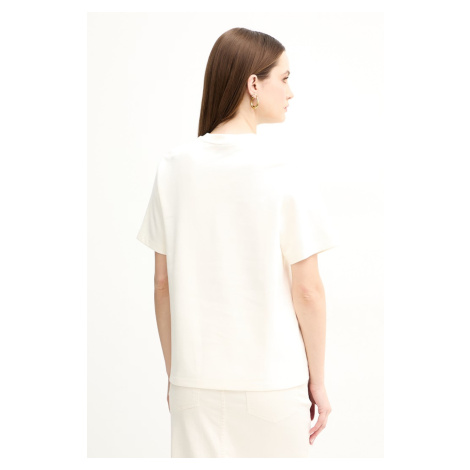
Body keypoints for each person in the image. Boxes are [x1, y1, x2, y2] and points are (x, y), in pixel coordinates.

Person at [136, 27, 339, 458]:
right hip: (274, 384)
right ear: (253, 84)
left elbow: (161, 285)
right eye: (284, 78)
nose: (291, 92)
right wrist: (318, 382)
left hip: (195, 386)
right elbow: (308, 290)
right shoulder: (285, 169)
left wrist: (176, 376)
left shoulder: (173, 167)